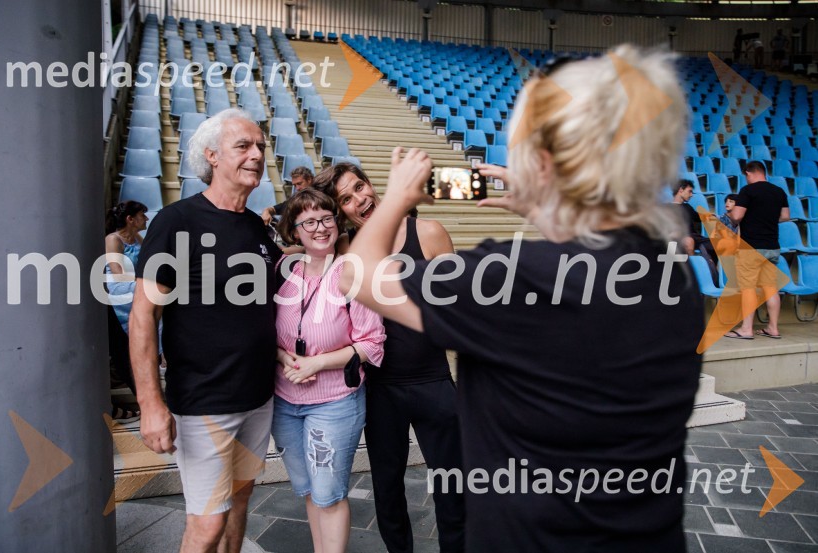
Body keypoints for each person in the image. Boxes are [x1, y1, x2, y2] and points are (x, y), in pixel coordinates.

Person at [341, 45, 703, 553]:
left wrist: (399, 196)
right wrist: (546, 205)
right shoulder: (674, 273)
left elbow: (357, 274)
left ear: (546, 162)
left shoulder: (513, 279)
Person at [131, 108, 284, 553]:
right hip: (205, 401)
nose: (257, 154)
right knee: (206, 525)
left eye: (260, 145)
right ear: (212, 156)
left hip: (258, 397)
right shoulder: (177, 221)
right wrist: (149, 404)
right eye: (244, 146)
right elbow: (144, 315)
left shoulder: (255, 227)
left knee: (241, 498)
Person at [314, 162, 465, 553]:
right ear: (339, 211)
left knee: (453, 487)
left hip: (433, 381)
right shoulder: (345, 249)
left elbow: (459, 312)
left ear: (370, 184)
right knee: (387, 489)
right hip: (380, 388)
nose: (359, 200)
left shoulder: (428, 232)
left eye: (359, 187)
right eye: (345, 199)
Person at [271, 188, 385, 553]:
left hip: (334, 401)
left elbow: (372, 343)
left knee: (329, 495)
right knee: (308, 490)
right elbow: (263, 327)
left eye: (326, 218)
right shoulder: (282, 271)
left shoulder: (353, 272)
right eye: (309, 221)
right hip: (285, 401)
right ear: (294, 230)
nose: (320, 228)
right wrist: (279, 354)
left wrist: (319, 362)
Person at [724, 160, 790, 340]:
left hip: (751, 247)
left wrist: (735, 216)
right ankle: (773, 328)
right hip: (772, 247)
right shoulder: (778, 191)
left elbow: (737, 216)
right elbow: (785, 216)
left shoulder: (748, 191)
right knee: (771, 288)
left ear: (748, 173)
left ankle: (746, 329)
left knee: (748, 288)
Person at [105, 200, 148, 423]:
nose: (147, 219)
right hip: (118, 286)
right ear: (130, 219)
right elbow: (117, 273)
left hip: (135, 284)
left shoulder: (139, 238)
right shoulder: (113, 239)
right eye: (142, 215)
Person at [672, 179, 719, 281]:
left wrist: (711, 216)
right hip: (679, 238)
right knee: (689, 241)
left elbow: (699, 217)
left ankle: (713, 275)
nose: (691, 195)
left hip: (695, 237)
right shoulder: (668, 207)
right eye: (689, 191)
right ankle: (694, 276)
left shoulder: (687, 206)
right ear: (681, 190)